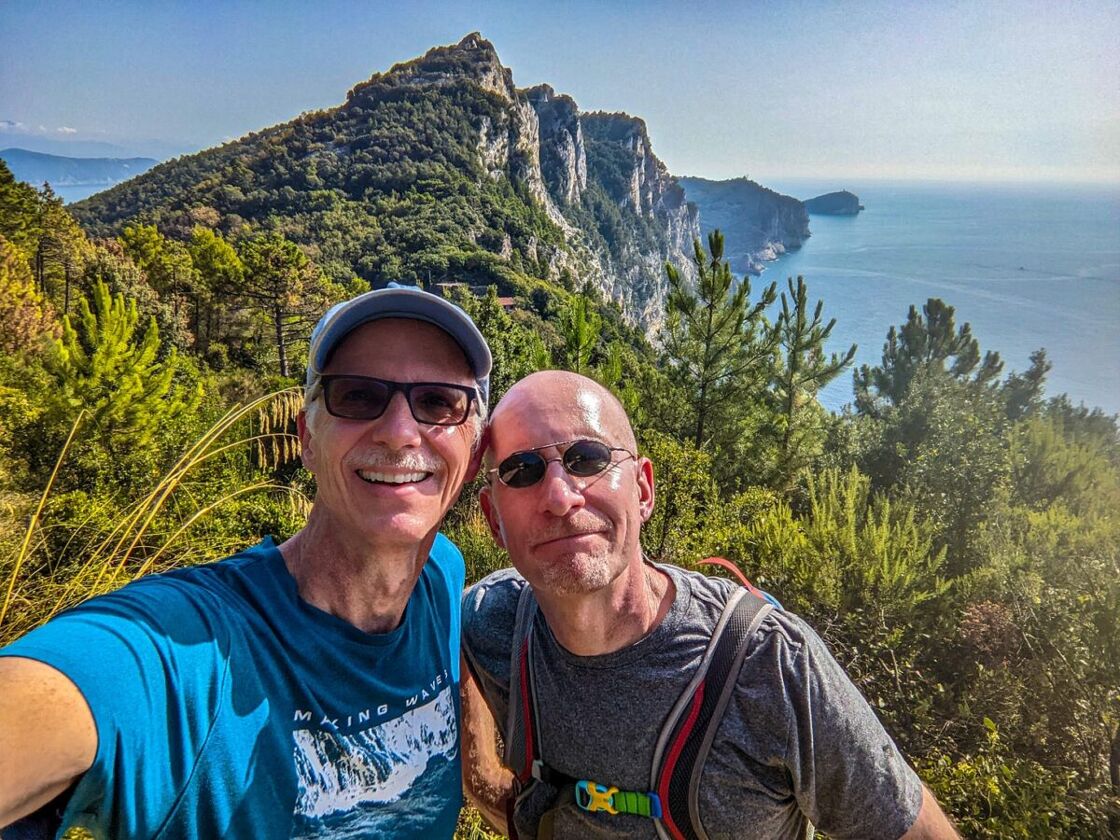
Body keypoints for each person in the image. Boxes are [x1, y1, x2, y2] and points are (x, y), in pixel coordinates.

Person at [0, 285, 492, 839]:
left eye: (438, 402)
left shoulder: (441, 577)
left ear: (474, 454)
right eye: (357, 396)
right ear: (307, 439)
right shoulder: (191, 648)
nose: (400, 433)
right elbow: (67, 693)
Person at [461, 370, 959, 840]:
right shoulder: (488, 622)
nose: (559, 496)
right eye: (521, 471)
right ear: (493, 520)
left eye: (587, 459)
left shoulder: (771, 664)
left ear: (643, 490)